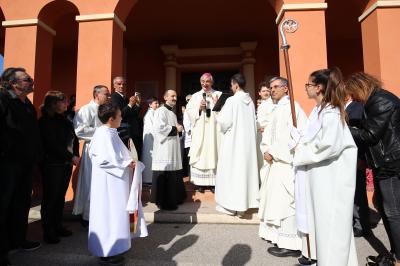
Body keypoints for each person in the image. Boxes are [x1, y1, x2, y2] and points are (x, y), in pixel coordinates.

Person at [291, 68, 358, 266]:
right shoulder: (318, 111)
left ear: (319, 88)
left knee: (331, 228)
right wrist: (300, 138)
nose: (306, 88)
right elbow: (314, 139)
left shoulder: (331, 113)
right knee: (323, 226)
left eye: (309, 85)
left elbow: (328, 146)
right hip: (320, 179)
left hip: (331, 182)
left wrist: (300, 150)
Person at [346, 72, 400, 266]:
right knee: (385, 208)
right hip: (385, 162)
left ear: (361, 87)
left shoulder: (380, 101)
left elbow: (370, 135)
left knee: (392, 210)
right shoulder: (377, 99)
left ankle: (398, 258)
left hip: (390, 163)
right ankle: (394, 254)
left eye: (353, 94)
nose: (353, 98)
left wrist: (343, 129)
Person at [88, 103, 147, 265]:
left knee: (115, 215)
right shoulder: (103, 135)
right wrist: (125, 164)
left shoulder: (111, 132)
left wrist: (130, 161)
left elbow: (119, 155)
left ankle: (114, 247)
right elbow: (102, 160)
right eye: (120, 115)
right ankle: (107, 251)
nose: (122, 118)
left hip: (116, 183)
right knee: (108, 215)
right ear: (111, 118)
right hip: (108, 186)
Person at [258, 77, 307, 257]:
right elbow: (269, 133)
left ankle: (292, 244)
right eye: (270, 88)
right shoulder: (277, 108)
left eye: (276, 87)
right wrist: (265, 149)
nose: (272, 90)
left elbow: (294, 136)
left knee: (287, 203)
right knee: (276, 201)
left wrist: (274, 152)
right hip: (274, 163)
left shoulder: (293, 108)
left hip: (285, 163)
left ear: (286, 89)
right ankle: (280, 237)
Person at [0, 67, 43, 266]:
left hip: (26, 164)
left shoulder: (28, 105)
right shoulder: (3, 100)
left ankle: (18, 240)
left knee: (21, 203)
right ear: (12, 83)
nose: (31, 81)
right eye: (26, 79)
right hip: (7, 164)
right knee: (4, 206)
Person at [215, 73, 259, 216]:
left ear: (235, 84)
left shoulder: (232, 101)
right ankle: (243, 207)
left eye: (231, 85)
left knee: (232, 172)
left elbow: (224, 122)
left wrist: (218, 114)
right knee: (244, 172)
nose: (231, 88)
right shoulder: (250, 101)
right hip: (247, 145)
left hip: (234, 144)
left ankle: (231, 206)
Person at [39, 91, 80, 244]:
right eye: (62, 102)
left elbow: (73, 139)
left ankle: (57, 225)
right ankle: (48, 230)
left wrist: (74, 154)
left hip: (65, 164)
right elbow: (52, 144)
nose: (66, 104)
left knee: (60, 197)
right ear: (53, 104)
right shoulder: (45, 121)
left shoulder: (65, 119)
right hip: (52, 164)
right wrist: (71, 156)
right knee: (51, 197)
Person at [73, 85, 110, 225]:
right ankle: (87, 217)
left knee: (101, 184)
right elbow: (80, 131)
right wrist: (103, 130)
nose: (108, 97)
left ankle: (99, 214)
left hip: (104, 151)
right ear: (96, 95)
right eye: (106, 94)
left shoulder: (103, 110)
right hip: (92, 151)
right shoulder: (86, 110)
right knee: (91, 182)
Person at [186, 73, 222, 192]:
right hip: (200, 130)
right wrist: (199, 109)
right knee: (200, 153)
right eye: (202, 81)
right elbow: (189, 112)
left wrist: (218, 105)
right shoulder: (195, 96)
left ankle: (213, 183)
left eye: (207, 81)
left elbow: (225, 113)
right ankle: (200, 183)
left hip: (214, 131)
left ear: (212, 82)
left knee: (213, 152)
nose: (205, 84)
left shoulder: (218, 94)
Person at [151, 90, 186, 210]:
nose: (175, 98)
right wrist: (176, 129)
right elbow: (159, 128)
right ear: (165, 97)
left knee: (174, 173)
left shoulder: (172, 113)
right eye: (172, 96)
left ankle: (174, 199)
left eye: (176, 96)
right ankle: (164, 202)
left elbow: (176, 129)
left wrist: (179, 129)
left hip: (172, 148)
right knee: (166, 173)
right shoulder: (160, 111)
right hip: (164, 149)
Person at [344, 95, 372, 238]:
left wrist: (361, 158)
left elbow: (360, 136)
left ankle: (361, 225)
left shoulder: (356, 108)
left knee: (358, 193)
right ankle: (354, 222)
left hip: (356, 157)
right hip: (345, 158)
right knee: (350, 192)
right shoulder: (341, 108)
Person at [111, 76, 142, 154]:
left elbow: (133, 114)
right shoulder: (114, 97)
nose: (121, 86)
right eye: (119, 84)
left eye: (123, 84)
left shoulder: (125, 98)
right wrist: (130, 104)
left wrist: (137, 104)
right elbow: (120, 114)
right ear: (114, 85)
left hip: (131, 130)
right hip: (123, 131)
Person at [256, 81, 275, 174]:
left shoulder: (272, 104)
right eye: (263, 91)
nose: (266, 93)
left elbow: (273, 119)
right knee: (260, 159)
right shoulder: (261, 104)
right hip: (260, 134)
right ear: (259, 93)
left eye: (268, 90)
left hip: (267, 133)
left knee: (266, 160)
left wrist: (266, 127)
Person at [141, 96, 159, 184]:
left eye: (157, 103)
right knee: (149, 159)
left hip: (153, 139)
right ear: (150, 105)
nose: (157, 105)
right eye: (155, 103)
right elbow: (152, 129)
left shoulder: (154, 113)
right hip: (150, 140)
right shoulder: (149, 115)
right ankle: (148, 180)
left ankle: (151, 179)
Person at [182, 94, 192, 177]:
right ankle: (190, 175)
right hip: (190, 137)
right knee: (189, 158)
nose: (190, 101)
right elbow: (186, 124)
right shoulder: (186, 110)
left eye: (191, 99)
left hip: (197, 137)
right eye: (188, 100)